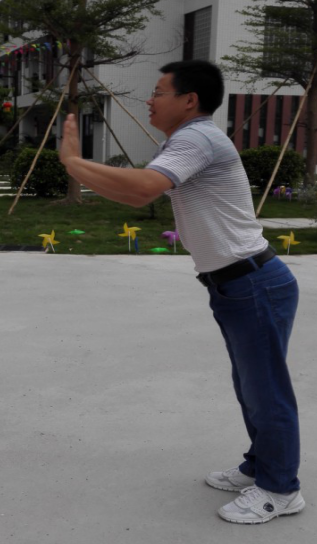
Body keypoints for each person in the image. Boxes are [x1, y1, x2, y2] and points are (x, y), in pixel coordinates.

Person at [58, 59, 304, 525]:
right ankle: (260, 465)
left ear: (189, 100)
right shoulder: (185, 140)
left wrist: (73, 162)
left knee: (265, 389)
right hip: (238, 284)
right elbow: (135, 195)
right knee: (251, 385)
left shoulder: (197, 139)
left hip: (252, 283)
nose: (149, 100)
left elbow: (145, 187)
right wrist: (76, 167)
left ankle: (280, 488)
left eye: (158, 92)